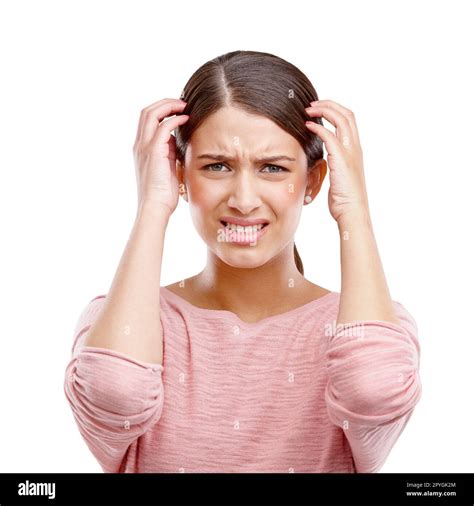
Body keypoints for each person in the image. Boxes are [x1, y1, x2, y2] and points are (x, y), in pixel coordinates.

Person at [64, 50, 422, 473]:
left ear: (312, 180)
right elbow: (115, 390)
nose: (244, 199)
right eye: (217, 165)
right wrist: (152, 208)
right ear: (180, 175)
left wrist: (353, 210)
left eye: (272, 168)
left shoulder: (366, 327)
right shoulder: (121, 320)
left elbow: (370, 387)